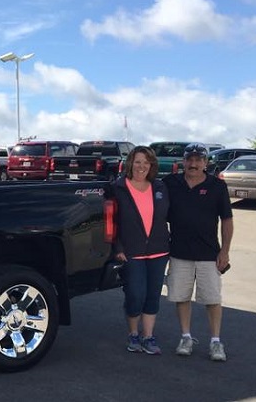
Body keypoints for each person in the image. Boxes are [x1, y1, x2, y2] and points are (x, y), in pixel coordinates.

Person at [163, 143, 234, 362]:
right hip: (179, 252)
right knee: (181, 297)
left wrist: (225, 251)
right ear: (183, 162)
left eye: (198, 160)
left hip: (208, 254)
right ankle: (186, 337)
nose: (193, 164)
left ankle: (215, 342)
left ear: (205, 163)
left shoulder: (217, 186)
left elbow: (227, 220)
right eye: (189, 159)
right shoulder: (170, 183)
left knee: (212, 299)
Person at [112, 145, 170, 354]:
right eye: (138, 162)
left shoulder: (159, 187)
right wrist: (117, 247)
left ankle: (148, 336)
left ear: (151, 165)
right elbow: (112, 222)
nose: (141, 166)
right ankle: (133, 334)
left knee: (152, 295)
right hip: (131, 251)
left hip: (159, 250)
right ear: (130, 163)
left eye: (146, 162)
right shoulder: (119, 188)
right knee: (136, 294)